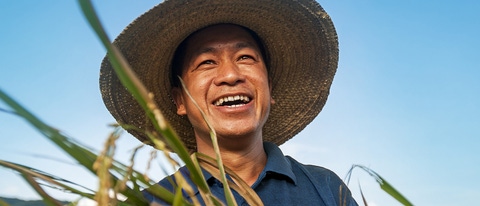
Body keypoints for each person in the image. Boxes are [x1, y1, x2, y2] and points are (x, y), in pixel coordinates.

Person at [100, 0, 358, 205]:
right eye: (207, 62)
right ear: (179, 101)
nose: (231, 75)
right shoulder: (150, 202)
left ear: (269, 89)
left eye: (245, 57)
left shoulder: (325, 188)